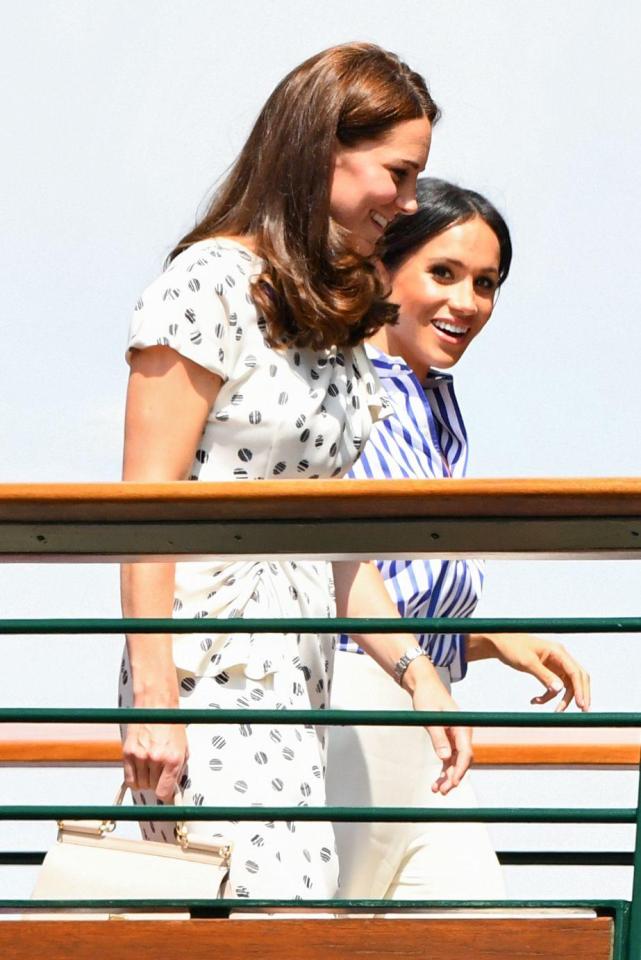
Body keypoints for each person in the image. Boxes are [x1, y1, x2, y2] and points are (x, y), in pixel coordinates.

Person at [118, 45, 474, 905]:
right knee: (264, 905)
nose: (409, 201)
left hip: (296, 675)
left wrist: (416, 671)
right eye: (396, 172)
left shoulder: (336, 305)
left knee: (281, 908)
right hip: (211, 664)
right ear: (323, 151)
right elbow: (140, 506)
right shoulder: (205, 284)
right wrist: (154, 696)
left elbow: (333, 539)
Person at [326, 178, 591, 902]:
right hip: (347, 703)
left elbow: (394, 577)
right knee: (322, 931)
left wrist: (485, 638)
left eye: (485, 283)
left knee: (486, 929)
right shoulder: (340, 386)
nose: (467, 302)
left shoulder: (435, 400)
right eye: (442, 273)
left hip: (424, 714)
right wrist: (420, 669)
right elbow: (327, 568)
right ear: (382, 269)